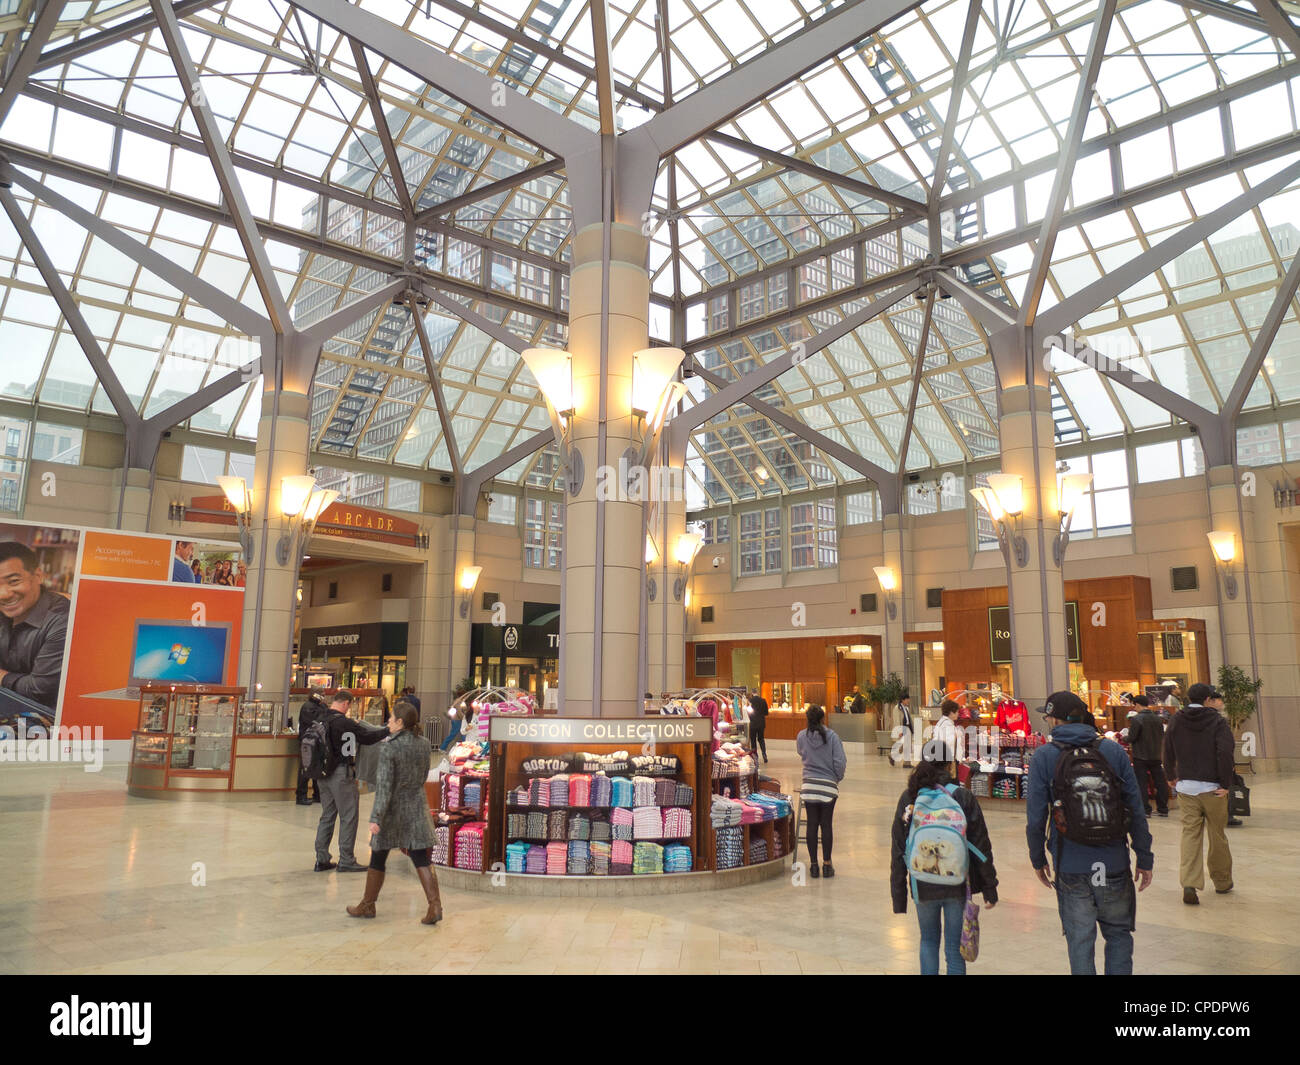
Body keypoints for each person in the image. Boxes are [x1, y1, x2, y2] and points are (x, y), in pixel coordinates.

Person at [1026, 691, 1154, 975]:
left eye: (1048, 716)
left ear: (1057, 719)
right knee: (1119, 935)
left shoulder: (1045, 756)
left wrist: (1037, 858)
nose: (1047, 721)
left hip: (1070, 863)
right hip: (1114, 862)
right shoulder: (1113, 751)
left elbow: (1036, 816)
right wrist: (1144, 856)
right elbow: (1135, 806)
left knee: (1080, 940)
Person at [891, 758, 998, 975]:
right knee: (953, 948)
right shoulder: (962, 796)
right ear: (949, 765)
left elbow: (899, 848)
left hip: (922, 882)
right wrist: (989, 887)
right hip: (955, 881)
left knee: (928, 941)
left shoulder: (910, 797)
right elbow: (980, 845)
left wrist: (899, 895)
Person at [347, 704, 443, 924]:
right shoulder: (425, 744)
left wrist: (376, 817)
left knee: (379, 853)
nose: (388, 722)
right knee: (420, 855)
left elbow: (385, 785)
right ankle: (434, 905)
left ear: (400, 722)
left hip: (392, 809)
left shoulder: (389, 748)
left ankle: (368, 905)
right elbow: (423, 774)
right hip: (417, 805)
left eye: (391, 718)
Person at [1163, 682, 1234, 905]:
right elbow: (1225, 751)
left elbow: (1167, 747)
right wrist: (1225, 783)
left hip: (1186, 787)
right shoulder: (1217, 721)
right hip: (1213, 788)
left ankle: (1189, 883)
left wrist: (1170, 775)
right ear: (1207, 699)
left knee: (1190, 834)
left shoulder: (1177, 719)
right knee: (1217, 834)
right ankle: (1222, 882)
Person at [314, 690, 387, 873]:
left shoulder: (320, 719)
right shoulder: (343, 723)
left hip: (321, 775)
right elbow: (367, 737)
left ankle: (321, 859)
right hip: (340, 774)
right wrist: (387, 730)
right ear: (346, 703)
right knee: (349, 815)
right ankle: (346, 859)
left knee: (327, 815)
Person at [0, 541, 70, 713]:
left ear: (38, 576)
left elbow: (39, 690)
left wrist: (1, 676)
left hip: (46, 723)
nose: (4, 594)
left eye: (14, 581)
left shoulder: (62, 620)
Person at [796, 705, 846, 879]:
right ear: (823, 719)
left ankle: (813, 866)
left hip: (808, 785)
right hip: (828, 786)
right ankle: (827, 864)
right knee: (826, 825)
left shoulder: (801, 736)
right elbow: (840, 761)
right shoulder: (832, 736)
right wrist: (836, 778)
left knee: (811, 824)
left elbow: (801, 752)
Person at [1126, 695, 1169, 818]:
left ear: (1138, 704)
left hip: (1140, 755)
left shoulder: (1137, 719)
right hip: (1156, 755)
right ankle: (1163, 808)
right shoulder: (1157, 719)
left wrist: (1124, 737)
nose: (1134, 708)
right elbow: (1161, 735)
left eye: (1134, 705)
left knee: (1142, 783)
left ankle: (1145, 810)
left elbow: (1132, 737)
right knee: (1160, 782)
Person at [296, 689, 329, 806]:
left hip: (317, 741)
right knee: (306, 768)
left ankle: (317, 794)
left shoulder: (320, 706)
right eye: (322, 695)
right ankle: (301, 795)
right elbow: (315, 722)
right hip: (309, 741)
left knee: (317, 767)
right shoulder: (308, 707)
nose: (323, 697)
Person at [931, 699, 962, 767]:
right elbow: (946, 742)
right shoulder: (946, 725)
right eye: (956, 712)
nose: (958, 714)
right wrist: (957, 735)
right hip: (948, 761)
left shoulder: (946, 723)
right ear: (951, 712)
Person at [748, 688, 769, 763]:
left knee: (753, 740)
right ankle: (764, 754)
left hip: (753, 723)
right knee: (761, 739)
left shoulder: (750, 701)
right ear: (757, 692)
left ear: (752, 693)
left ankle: (755, 757)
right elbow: (766, 713)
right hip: (761, 723)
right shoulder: (763, 700)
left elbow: (747, 712)